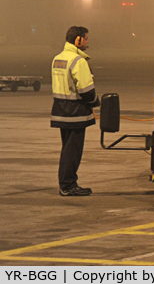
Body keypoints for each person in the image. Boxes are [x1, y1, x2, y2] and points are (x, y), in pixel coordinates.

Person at [51, 26, 98, 196]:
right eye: (85, 39)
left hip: (61, 110)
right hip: (75, 112)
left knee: (67, 149)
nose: (87, 42)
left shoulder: (58, 58)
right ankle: (68, 185)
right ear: (78, 40)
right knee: (73, 151)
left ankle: (66, 183)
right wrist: (95, 101)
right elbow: (86, 90)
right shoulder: (79, 61)